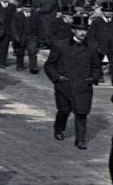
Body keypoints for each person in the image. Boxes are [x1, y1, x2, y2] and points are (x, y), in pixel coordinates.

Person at [44, 14, 102, 150]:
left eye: (85, 30)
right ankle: (59, 128)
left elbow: (96, 66)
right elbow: (49, 66)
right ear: (73, 30)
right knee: (64, 110)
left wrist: (93, 78)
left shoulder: (92, 47)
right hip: (65, 85)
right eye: (79, 30)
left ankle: (80, 140)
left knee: (82, 113)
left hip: (83, 86)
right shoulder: (60, 45)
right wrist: (58, 78)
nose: (83, 33)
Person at [87, 1, 113, 85]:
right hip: (100, 45)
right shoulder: (97, 22)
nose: (108, 13)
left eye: (110, 11)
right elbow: (91, 35)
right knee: (97, 62)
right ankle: (98, 77)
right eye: (106, 11)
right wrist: (95, 45)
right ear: (103, 12)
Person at [10, 0, 39, 73]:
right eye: (25, 7)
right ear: (22, 7)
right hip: (21, 36)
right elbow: (13, 27)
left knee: (32, 51)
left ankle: (33, 67)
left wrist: (38, 36)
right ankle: (20, 65)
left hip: (32, 36)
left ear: (31, 8)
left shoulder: (35, 15)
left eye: (29, 7)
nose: (27, 8)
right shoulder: (17, 15)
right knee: (20, 51)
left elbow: (39, 25)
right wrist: (16, 36)